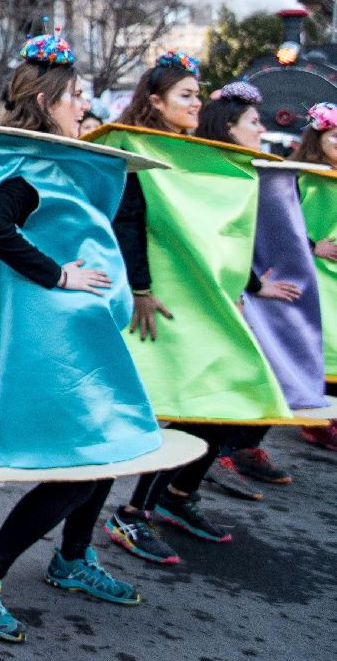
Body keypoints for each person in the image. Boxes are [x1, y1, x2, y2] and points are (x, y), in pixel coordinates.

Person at [0, 30, 159, 643]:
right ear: (47, 101)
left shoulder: (50, 163)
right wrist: (56, 274)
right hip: (50, 347)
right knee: (84, 467)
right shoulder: (31, 167)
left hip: (73, 340)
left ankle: (71, 558)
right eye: (78, 96)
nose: (85, 106)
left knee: (104, 450)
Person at [99, 52, 292, 563]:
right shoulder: (135, 147)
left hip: (199, 303)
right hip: (158, 305)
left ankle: (175, 498)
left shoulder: (193, 154)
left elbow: (215, 232)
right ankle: (131, 514)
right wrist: (139, 287)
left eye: (197, 92)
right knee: (173, 410)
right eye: (185, 94)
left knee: (216, 401)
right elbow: (129, 222)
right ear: (155, 101)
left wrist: (245, 284)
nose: (196, 101)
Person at [197, 83, 308, 494]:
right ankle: (165, 492)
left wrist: (253, 285)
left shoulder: (245, 170)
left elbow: (240, 242)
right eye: (253, 122)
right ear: (228, 127)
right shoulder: (207, 171)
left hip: (231, 298)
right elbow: (208, 239)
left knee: (232, 389)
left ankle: (188, 481)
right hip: (202, 299)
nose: (261, 130)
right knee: (210, 395)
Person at [291, 100, 337, 453]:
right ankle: (315, 418)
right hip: (314, 274)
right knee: (321, 342)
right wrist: (311, 246)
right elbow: (280, 222)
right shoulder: (305, 176)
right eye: (335, 138)